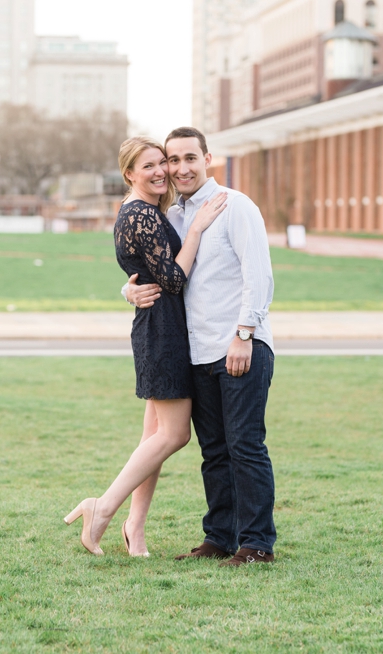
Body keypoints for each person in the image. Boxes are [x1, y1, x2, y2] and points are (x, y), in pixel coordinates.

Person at [64, 136, 227, 556]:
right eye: (149, 165)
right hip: (163, 331)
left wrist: (128, 289)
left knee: (153, 436)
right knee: (173, 435)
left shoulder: (144, 212)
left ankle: (134, 528)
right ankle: (100, 508)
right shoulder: (142, 215)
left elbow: (144, 273)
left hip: (159, 325)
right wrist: (196, 230)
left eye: (163, 163)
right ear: (129, 174)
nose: (160, 171)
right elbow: (172, 280)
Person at [125, 127, 277, 567]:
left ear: (207, 159)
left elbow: (259, 275)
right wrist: (128, 291)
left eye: (190, 158)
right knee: (214, 449)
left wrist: (245, 333)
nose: (180, 168)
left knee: (245, 445)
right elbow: (160, 273)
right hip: (195, 351)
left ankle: (257, 545)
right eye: (172, 160)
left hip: (239, 345)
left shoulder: (235, 205)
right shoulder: (171, 217)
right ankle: (219, 537)